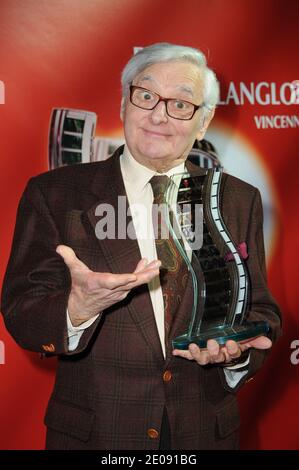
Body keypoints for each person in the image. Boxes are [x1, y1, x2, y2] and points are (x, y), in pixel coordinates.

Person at [1, 43, 281, 450]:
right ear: (123, 104)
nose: (159, 114)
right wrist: (76, 309)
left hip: (204, 433)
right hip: (95, 435)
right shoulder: (55, 194)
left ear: (203, 123)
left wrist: (234, 351)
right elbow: (21, 309)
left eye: (181, 104)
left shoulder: (238, 199)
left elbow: (259, 308)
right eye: (146, 95)